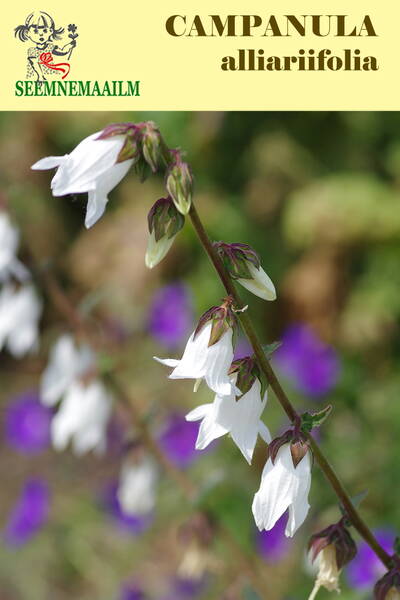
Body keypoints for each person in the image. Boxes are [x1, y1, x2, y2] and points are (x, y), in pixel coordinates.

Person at [14, 11, 77, 81]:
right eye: (36, 31)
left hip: (50, 75)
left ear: (50, 31)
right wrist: (40, 76)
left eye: (45, 31)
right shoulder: (32, 51)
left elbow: (62, 51)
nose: (41, 34)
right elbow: (34, 63)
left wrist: (70, 45)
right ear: (27, 33)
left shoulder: (50, 47)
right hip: (36, 77)